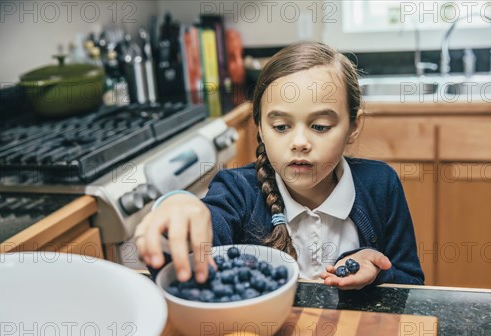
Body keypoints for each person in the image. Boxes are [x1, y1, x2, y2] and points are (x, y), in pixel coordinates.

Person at [135, 41, 424, 290]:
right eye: (281, 126)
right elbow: (192, 251)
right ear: (260, 127)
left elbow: (413, 285)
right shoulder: (237, 190)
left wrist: (377, 271)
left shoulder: (381, 184)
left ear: (353, 126)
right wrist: (177, 208)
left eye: (320, 126)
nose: (299, 142)